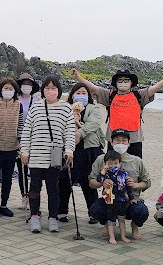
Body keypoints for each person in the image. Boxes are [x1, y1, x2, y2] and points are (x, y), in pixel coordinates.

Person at [71, 67, 163, 157]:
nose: (123, 82)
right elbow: (93, 88)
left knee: (134, 167)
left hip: (134, 139)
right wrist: (77, 76)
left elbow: (155, 88)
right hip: (114, 138)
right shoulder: (110, 95)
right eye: (120, 80)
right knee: (113, 166)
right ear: (116, 83)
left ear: (131, 83)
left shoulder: (139, 95)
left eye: (126, 80)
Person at [21, 75, 76, 233]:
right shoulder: (35, 107)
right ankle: (34, 217)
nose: (50, 90)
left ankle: (53, 218)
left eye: (53, 88)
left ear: (59, 90)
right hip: (36, 155)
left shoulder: (66, 108)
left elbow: (69, 132)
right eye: (47, 88)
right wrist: (24, 151)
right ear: (43, 90)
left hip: (55, 155)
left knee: (53, 189)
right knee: (34, 188)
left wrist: (69, 149)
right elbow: (27, 131)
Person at [89, 129, 151, 239]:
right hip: (109, 200)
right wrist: (102, 182)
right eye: (117, 140)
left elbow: (147, 182)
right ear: (111, 142)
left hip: (129, 200)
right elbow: (91, 182)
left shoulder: (136, 161)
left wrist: (135, 185)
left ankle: (135, 225)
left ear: (129, 143)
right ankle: (107, 223)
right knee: (95, 210)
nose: (120, 143)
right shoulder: (101, 159)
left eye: (124, 140)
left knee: (141, 211)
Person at [58, 83, 105, 225]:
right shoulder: (66, 108)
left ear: (88, 95)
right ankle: (62, 211)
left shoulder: (93, 108)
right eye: (77, 93)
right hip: (69, 149)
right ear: (72, 95)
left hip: (89, 149)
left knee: (88, 181)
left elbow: (94, 123)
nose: (81, 95)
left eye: (84, 93)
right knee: (65, 180)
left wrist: (79, 131)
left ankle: (93, 212)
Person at [0, 77, 24, 218]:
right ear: (0, 90)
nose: (8, 90)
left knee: (7, 178)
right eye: (5, 88)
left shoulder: (18, 105)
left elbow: (20, 126)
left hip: (12, 148)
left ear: (15, 91)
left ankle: (4, 205)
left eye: (10, 88)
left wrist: (20, 145)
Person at [95, 150, 135, 244]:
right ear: (106, 163)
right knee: (111, 219)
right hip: (109, 200)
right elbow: (99, 179)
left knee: (121, 219)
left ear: (120, 163)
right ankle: (111, 237)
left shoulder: (123, 173)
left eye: (116, 163)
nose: (114, 166)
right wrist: (104, 170)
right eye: (110, 163)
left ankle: (123, 236)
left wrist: (131, 198)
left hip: (122, 199)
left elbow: (128, 188)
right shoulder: (106, 174)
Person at [16, 72, 40, 210]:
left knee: (35, 172)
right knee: (22, 170)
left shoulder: (37, 100)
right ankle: (24, 196)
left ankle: (34, 199)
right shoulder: (15, 99)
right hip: (19, 139)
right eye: (24, 84)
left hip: (35, 139)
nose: (26, 86)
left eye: (29, 84)